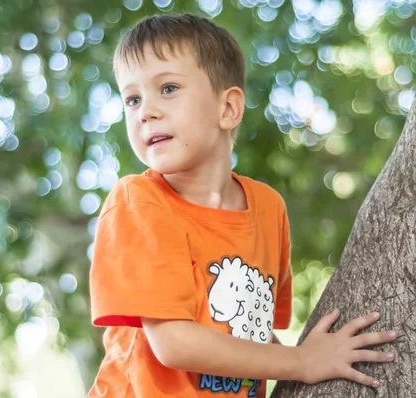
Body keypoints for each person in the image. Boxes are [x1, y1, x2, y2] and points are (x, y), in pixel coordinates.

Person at [88, 13, 398, 398]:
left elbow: (252, 332)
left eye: (168, 88)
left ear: (228, 109)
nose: (145, 110)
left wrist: (324, 358)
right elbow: (174, 343)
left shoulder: (268, 209)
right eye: (132, 98)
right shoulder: (139, 202)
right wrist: (302, 362)